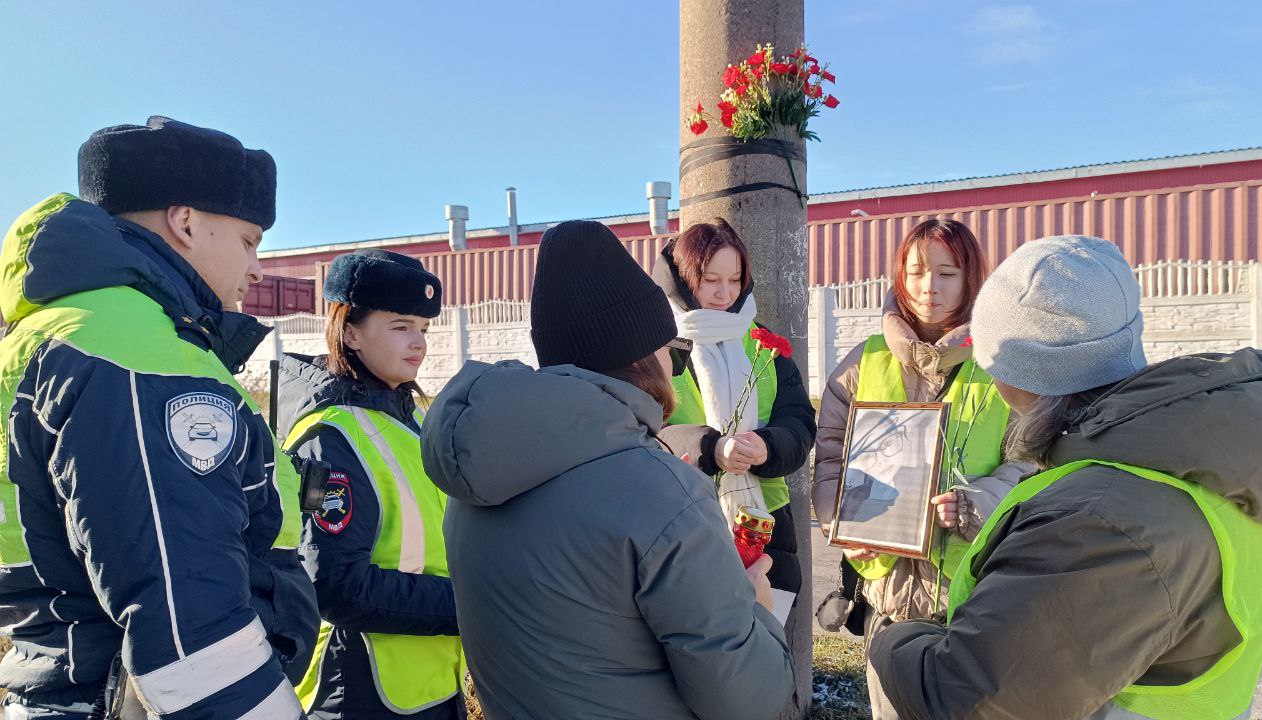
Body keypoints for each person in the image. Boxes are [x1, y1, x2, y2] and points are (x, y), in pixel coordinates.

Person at [869, 235, 1262, 719]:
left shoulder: (1096, 520)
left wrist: (895, 637)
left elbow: (962, 698)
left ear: (1020, 374)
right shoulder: (1203, 456)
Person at [0, 117, 318, 718]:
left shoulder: (51, 335)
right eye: (250, 240)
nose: (256, 268)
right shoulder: (141, 357)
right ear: (187, 221)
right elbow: (188, 633)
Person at [421, 220, 794, 719]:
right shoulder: (665, 498)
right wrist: (756, 610)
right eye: (669, 349)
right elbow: (747, 699)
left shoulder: (473, 478)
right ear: (642, 355)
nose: (674, 365)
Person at [811, 219, 1030, 719]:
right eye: (915, 272)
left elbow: (1027, 462)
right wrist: (841, 523)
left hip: (971, 596)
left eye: (947, 273)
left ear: (971, 277)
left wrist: (979, 503)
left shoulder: (1003, 366)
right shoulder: (862, 363)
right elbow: (830, 455)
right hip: (887, 599)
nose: (929, 286)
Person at [278, 250, 464, 719]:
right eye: (401, 326)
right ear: (350, 332)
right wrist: (470, 603)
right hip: (357, 688)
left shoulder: (413, 417)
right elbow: (334, 584)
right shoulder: (328, 439)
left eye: (423, 328)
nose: (418, 342)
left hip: (431, 680)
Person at [651, 219, 816, 623]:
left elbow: (799, 421)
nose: (725, 293)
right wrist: (711, 449)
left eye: (735, 279)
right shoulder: (658, 347)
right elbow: (645, 431)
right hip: (686, 517)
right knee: (702, 642)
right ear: (684, 279)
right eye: (711, 280)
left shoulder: (761, 340)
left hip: (764, 518)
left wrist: (768, 446)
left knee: (765, 636)